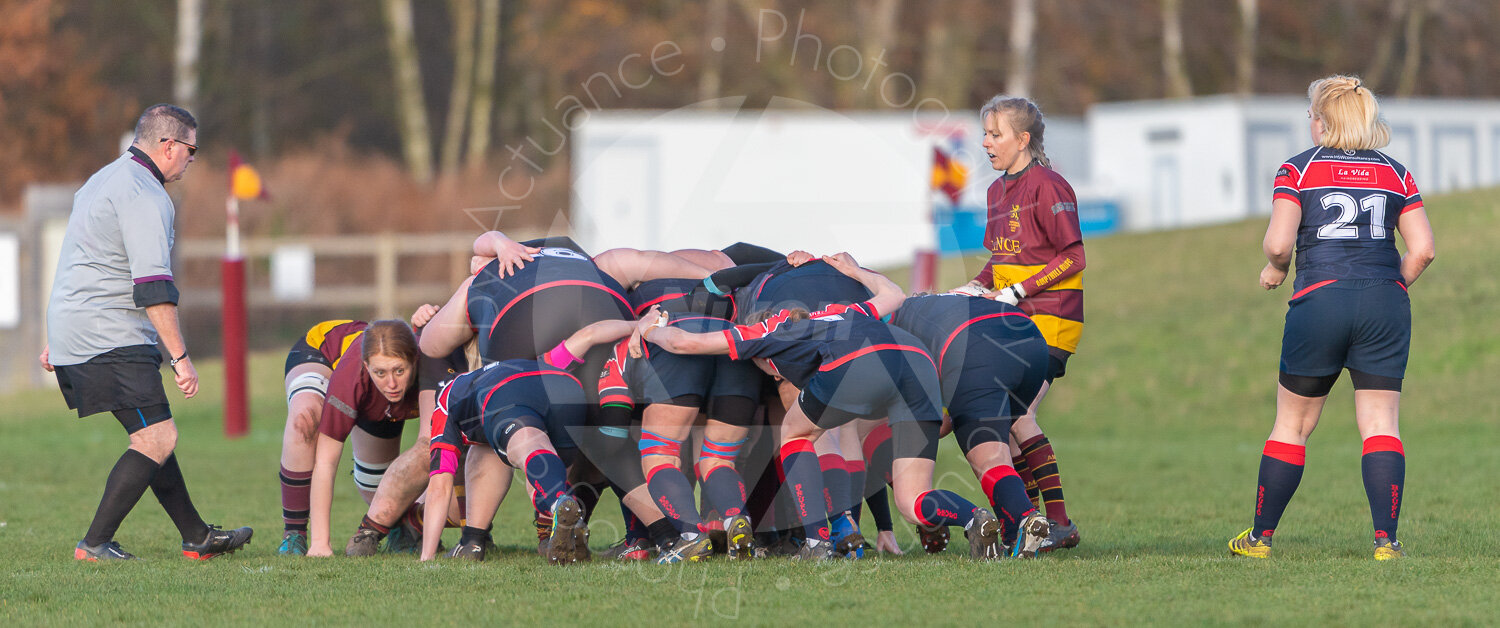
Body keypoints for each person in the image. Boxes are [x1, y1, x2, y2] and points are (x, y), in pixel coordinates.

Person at [633, 253, 1005, 560]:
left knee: (794, 434)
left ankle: (817, 542)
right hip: (917, 362)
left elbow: (685, 344)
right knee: (913, 499)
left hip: (858, 362)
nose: (774, 378)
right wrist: (855, 270)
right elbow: (893, 295)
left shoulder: (766, 331)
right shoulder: (844, 311)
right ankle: (975, 519)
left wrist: (649, 328)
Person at [1229, 75, 1434, 561]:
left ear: (1322, 120)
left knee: (1292, 424)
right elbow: (1423, 249)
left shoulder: (1298, 169)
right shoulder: (1396, 172)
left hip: (1321, 299)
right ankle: (1387, 542)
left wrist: (1276, 269)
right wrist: (1391, 286)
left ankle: (1260, 540)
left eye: (1310, 113)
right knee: (1381, 422)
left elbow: (1280, 242)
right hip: (1385, 302)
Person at [40, 103, 252, 561]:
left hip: (82, 327)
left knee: (152, 434)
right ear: (168, 145)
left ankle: (197, 536)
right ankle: (94, 543)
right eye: (191, 150)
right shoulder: (144, 194)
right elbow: (153, 286)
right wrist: (180, 357)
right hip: (110, 334)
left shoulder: (103, 179)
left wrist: (59, 334)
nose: (193, 159)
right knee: (157, 438)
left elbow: (83, 261)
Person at [957, 95, 1085, 551]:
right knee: (1004, 418)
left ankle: (1056, 521)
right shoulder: (995, 191)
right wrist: (972, 287)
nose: (986, 144)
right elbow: (1001, 260)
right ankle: (1032, 525)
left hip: (1050, 319)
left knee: (1018, 415)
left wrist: (1018, 292)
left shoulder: (1049, 185)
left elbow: (1074, 256)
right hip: (1012, 322)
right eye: (985, 135)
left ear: (1023, 139)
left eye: (996, 135)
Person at [889, 293, 1053, 556]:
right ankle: (1018, 530)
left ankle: (1024, 516)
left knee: (988, 458)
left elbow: (932, 421)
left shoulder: (895, 330)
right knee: (997, 446)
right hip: (1031, 341)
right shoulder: (939, 303)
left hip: (976, 347)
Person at [302, 320, 457, 557]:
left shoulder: (433, 362)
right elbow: (325, 462)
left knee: (458, 493)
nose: (392, 383)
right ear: (367, 366)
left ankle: (476, 532)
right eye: (380, 373)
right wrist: (320, 543)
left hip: (412, 411)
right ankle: (294, 532)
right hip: (326, 355)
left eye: (399, 371)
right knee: (372, 488)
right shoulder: (350, 379)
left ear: (414, 361)